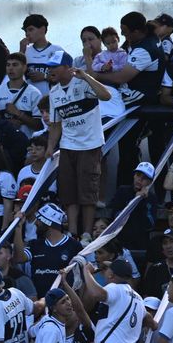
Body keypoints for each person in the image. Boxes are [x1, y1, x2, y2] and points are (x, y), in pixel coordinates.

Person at [47, 57, 113, 235]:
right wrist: (50, 146)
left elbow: (106, 96)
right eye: (49, 67)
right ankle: (72, 233)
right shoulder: (54, 93)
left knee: (87, 192)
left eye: (55, 67)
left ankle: (86, 234)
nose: (50, 70)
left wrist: (87, 77)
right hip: (68, 146)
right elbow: (56, 124)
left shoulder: (83, 83)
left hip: (90, 145)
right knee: (69, 192)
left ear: (67, 67)